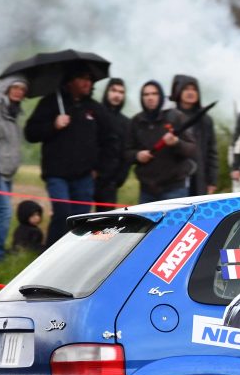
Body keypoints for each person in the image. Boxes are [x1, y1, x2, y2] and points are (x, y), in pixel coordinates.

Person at [24, 64, 117, 245]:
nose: (87, 82)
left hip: (85, 176)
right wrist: (53, 125)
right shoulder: (50, 103)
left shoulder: (95, 109)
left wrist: (100, 169)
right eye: (82, 77)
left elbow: (110, 140)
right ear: (70, 81)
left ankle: (73, 256)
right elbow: (30, 133)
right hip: (56, 173)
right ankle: (49, 253)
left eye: (90, 79)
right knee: (62, 212)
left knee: (80, 219)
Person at [125, 80, 198, 203]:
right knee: (148, 223)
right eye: (146, 95)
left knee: (175, 223)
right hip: (146, 190)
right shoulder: (136, 121)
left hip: (174, 189)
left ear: (161, 96)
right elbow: (126, 151)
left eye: (154, 94)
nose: (150, 98)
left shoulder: (176, 117)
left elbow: (191, 149)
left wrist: (176, 142)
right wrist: (137, 155)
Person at [0, 74, 29, 261]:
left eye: (22, 89)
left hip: (8, 173)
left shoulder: (15, 112)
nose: (19, 92)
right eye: (15, 87)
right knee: (4, 213)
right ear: (6, 88)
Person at [168, 75, 218, 196]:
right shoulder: (169, 117)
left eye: (194, 89)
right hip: (174, 178)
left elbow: (212, 151)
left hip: (199, 177)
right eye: (186, 89)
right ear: (179, 91)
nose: (191, 92)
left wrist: (212, 181)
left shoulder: (205, 120)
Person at [95, 78, 131, 208]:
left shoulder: (126, 123)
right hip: (88, 177)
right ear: (107, 92)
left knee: (105, 223)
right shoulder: (94, 114)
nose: (117, 95)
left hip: (111, 181)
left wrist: (118, 179)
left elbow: (126, 153)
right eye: (114, 90)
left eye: (121, 92)